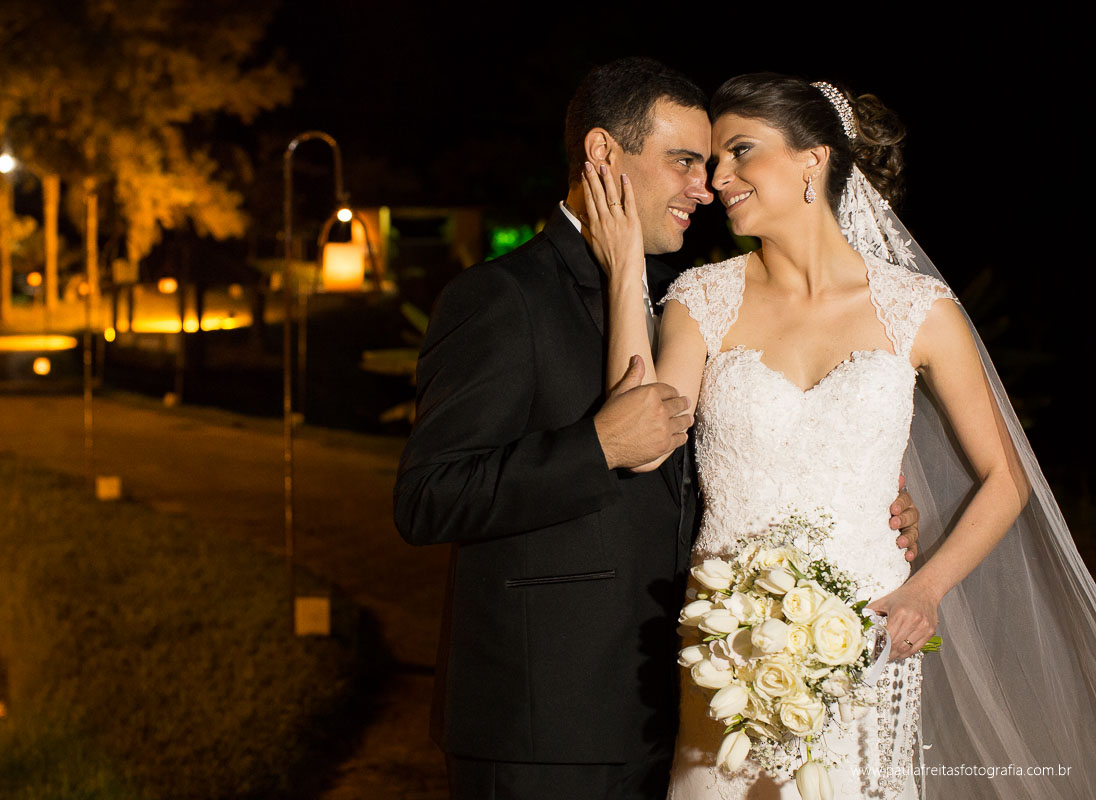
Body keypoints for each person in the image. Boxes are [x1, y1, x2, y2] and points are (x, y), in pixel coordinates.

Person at [394, 59, 920, 800]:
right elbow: (428, 496)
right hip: (545, 726)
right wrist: (597, 446)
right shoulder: (500, 298)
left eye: (708, 166)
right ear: (604, 154)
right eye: (683, 163)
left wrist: (870, 509)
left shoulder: (694, 298)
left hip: (693, 704)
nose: (705, 189)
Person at [581, 73, 1096, 799]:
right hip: (726, 643)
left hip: (869, 638)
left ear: (811, 161)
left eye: (739, 152)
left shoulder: (918, 310)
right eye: (709, 160)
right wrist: (624, 266)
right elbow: (645, 438)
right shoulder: (701, 300)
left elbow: (1007, 479)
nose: (716, 177)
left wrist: (927, 590)